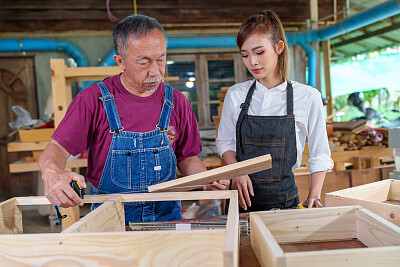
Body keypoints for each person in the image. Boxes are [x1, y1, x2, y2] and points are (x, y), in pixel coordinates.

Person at [39, 14, 226, 224]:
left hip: (167, 219)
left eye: (161, 60)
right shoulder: (93, 100)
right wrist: (52, 172)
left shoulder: (177, 102)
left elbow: (187, 159)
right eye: (144, 63)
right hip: (111, 220)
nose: (155, 72)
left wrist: (205, 179)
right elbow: (56, 149)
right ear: (120, 62)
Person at [215, 10, 334, 212]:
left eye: (259, 52)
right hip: (240, 202)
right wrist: (238, 172)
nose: (252, 62)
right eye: (245, 55)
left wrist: (314, 195)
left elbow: (319, 153)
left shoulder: (307, 96)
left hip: (284, 201)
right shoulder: (236, 95)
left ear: (279, 47)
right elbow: (225, 142)